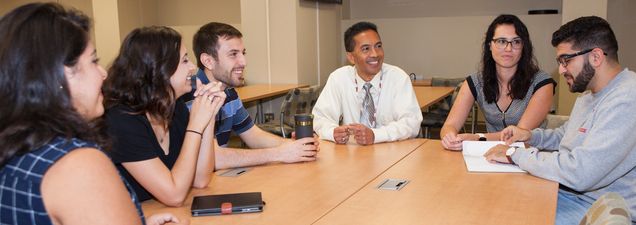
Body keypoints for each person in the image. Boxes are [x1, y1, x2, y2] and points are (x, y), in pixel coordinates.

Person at [0, 3, 182, 225]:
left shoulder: (18, 149)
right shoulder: (78, 164)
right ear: (60, 77)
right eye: (94, 61)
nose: (104, 73)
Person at [484, 16, 636, 224]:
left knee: (502, 216)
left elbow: (581, 171)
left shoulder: (627, 98)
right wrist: (531, 136)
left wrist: (515, 154)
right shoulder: (590, 95)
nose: (562, 69)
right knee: (494, 199)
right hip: (569, 193)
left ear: (596, 57)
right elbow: (567, 135)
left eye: (566, 60)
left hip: (594, 207)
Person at [104, 26, 225, 206]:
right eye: (184, 61)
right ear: (159, 69)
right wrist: (195, 125)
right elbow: (174, 196)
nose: (192, 68)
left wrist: (208, 119)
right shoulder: (121, 120)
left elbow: (200, 180)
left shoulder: (175, 108)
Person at [179, 22, 319, 170]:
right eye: (233, 54)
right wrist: (279, 153)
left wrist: (295, 147)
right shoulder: (191, 96)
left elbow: (253, 135)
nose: (243, 62)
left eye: (243, 53)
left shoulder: (229, 92)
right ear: (208, 61)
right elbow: (214, 158)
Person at [440, 14, 555, 150]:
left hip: (533, 156)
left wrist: (478, 138)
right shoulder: (475, 82)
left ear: (524, 47)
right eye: (501, 41)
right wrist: (450, 137)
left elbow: (517, 135)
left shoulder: (542, 83)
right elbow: (449, 126)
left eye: (516, 42)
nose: (508, 48)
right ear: (490, 45)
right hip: (492, 156)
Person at [312, 21, 422, 145]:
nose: (375, 54)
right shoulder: (339, 78)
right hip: (351, 155)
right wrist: (333, 132)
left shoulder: (398, 78)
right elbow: (320, 118)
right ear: (351, 57)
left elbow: (411, 123)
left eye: (378, 46)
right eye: (366, 49)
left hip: (391, 152)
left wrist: (375, 135)